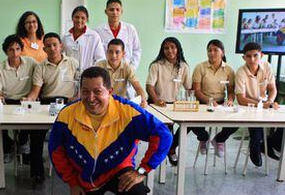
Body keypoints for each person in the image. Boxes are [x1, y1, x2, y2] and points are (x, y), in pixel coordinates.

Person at [48, 66, 171, 195]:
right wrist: (72, 183)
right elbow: (56, 151)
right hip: (85, 179)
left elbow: (163, 135)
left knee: (138, 193)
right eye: (85, 91)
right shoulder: (67, 114)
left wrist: (142, 170)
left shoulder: (128, 112)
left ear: (110, 91)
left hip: (118, 171)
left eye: (98, 91)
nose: (90, 98)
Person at [24, 32, 79, 189]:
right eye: (48, 46)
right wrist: (28, 100)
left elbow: (80, 87)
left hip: (70, 103)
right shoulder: (40, 67)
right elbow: (35, 91)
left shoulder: (73, 63)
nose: (52, 48)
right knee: (35, 136)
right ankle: (37, 174)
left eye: (55, 45)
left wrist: (76, 98)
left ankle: (76, 172)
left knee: (77, 136)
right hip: (47, 103)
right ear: (44, 49)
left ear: (61, 46)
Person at [0, 34, 37, 163]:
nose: (15, 52)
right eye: (11, 49)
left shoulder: (31, 62)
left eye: (17, 49)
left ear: (21, 50)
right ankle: (8, 146)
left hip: (26, 100)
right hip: (7, 101)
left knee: (29, 124)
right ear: (6, 51)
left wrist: (30, 98)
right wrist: (1, 100)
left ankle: (23, 144)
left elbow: (40, 77)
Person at [146, 37, 190, 165]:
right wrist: (157, 100)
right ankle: (165, 153)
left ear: (178, 49)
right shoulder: (156, 65)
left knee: (188, 125)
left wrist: (187, 102)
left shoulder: (184, 66)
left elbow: (189, 88)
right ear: (162, 50)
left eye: (173, 47)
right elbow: (149, 86)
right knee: (165, 133)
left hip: (176, 105)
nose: (169, 50)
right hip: (158, 104)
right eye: (166, 48)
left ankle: (171, 147)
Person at [235, 42, 279, 166]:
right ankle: (256, 147)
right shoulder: (241, 72)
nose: (252, 59)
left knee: (281, 123)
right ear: (244, 58)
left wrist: (270, 101)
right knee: (257, 121)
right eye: (248, 56)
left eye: (255, 55)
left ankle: (267, 144)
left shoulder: (267, 67)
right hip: (248, 106)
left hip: (265, 104)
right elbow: (241, 99)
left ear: (262, 55)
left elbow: (272, 88)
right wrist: (260, 105)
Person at [191, 39, 237, 158]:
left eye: (215, 50)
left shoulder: (229, 70)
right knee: (191, 123)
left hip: (221, 104)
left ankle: (219, 140)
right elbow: (197, 90)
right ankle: (203, 138)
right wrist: (209, 101)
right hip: (202, 102)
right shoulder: (200, 67)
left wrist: (230, 100)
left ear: (223, 52)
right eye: (209, 50)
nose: (212, 53)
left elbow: (231, 91)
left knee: (237, 122)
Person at [96, 39, 146, 107]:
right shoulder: (99, 66)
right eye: (110, 52)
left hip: (121, 104)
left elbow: (138, 87)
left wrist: (142, 99)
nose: (113, 55)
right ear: (107, 52)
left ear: (123, 54)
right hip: (103, 103)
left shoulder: (127, 68)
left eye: (117, 52)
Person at [95, 0, 142, 70]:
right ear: (106, 11)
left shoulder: (130, 29)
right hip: (105, 72)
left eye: (117, 10)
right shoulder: (98, 31)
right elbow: (97, 54)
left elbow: (137, 50)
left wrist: (131, 68)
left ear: (121, 11)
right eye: (111, 10)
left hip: (126, 71)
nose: (114, 12)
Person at [62, 5, 105, 72]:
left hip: (88, 75)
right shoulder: (66, 37)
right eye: (77, 17)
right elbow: (60, 56)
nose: (79, 20)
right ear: (72, 18)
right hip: (70, 74)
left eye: (83, 18)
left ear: (87, 19)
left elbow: (100, 59)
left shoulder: (94, 36)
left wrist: (93, 73)